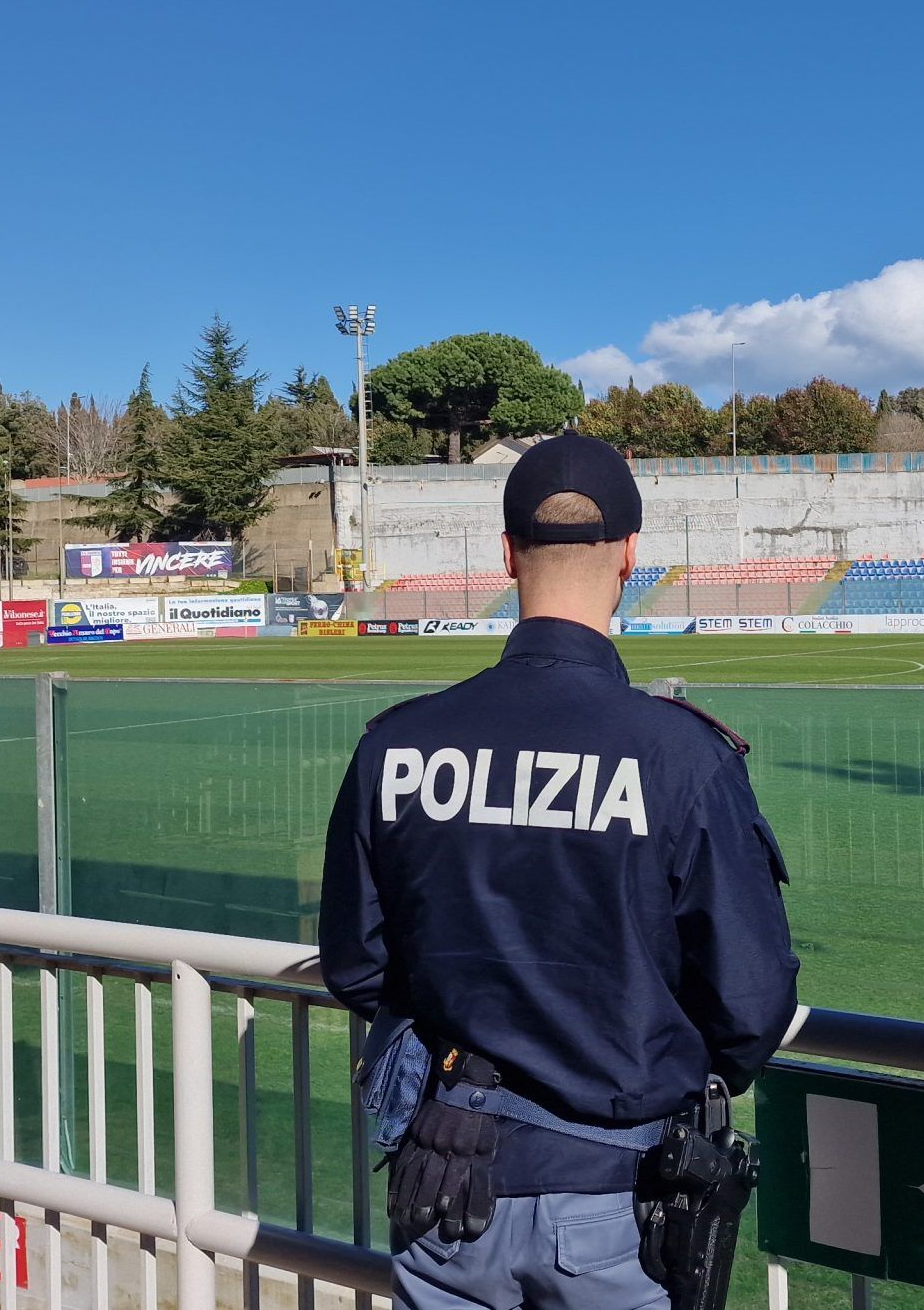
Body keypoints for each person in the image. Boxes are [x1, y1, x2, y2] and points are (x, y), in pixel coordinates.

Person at [320, 433, 799, 1310]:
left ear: (507, 555)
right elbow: (751, 1001)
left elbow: (356, 964)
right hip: (615, 1195)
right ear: (630, 555)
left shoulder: (399, 744)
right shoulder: (680, 756)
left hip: (443, 1186)